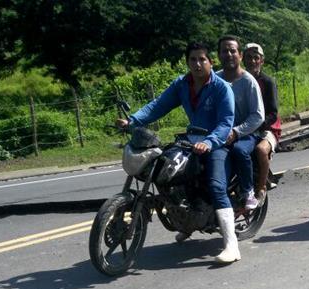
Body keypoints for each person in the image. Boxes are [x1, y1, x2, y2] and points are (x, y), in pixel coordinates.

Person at [116, 41, 241, 264]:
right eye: (192, 59)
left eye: (202, 59)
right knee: (166, 169)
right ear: (187, 63)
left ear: (210, 62)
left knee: (215, 185)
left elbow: (225, 123)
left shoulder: (222, 88)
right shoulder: (182, 85)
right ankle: (187, 219)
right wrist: (131, 121)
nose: (197, 64)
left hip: (217, 143)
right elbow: (157, 106)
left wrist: (210, 142)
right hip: (191, 140)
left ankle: (231, 245)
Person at [216, 36, 265, 210]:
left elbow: (258, 115)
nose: (229, 55)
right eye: (224, 51)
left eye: (232, 51)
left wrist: (236, 132)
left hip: (246, 134)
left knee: (239, 150)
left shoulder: (248, 81)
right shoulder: (215, 80)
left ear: (240, 55)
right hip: (219, 133)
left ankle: (248, 191)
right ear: (218, 55)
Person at [242, 42, 281, 205]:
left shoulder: (268, 82)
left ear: (262, 61)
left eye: (256, 58)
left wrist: (258, 125)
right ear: (243, 60)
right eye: (249, 58)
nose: (252, 61)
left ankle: (261, 188)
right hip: (246, 127)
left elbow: (273, 113)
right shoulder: (239, 80)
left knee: (260, 149)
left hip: (268, 128)